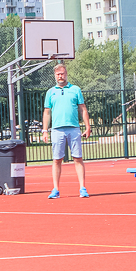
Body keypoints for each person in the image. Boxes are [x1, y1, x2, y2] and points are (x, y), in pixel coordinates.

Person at [41, 64, 92, 199]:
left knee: (78, 158)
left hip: (73, 128)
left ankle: (82, 188)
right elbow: (47, 112)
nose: (60, 76)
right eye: (58, 74)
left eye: (62, 74)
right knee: (57, 159)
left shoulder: (75, 90)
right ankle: (56, 189)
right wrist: (45, 130)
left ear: (66, 74)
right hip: (57, 129)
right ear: (55, 76)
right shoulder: (50, 92)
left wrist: (87, 126)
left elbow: (83, 109)